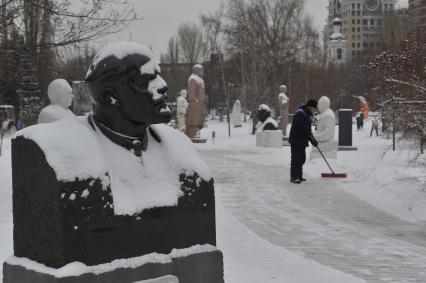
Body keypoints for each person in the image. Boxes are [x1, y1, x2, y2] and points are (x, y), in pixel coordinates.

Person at [289, 99, 318, 184]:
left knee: (302, 159)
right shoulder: (300, 113)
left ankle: (299, 176)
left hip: (302, 140)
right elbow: (299, 125)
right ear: (310, 106)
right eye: (313, 108)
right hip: (296, 139)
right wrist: (308, 132)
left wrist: (313, 140)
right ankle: (294, 177)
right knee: (296, 159)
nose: (314, 110)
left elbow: (307, 130)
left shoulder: (307, 114)